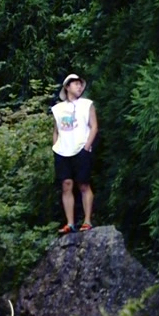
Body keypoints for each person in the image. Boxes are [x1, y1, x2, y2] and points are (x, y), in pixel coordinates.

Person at [51, 73, 97, 233]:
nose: (79, 87)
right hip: (63, 151)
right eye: (75, 84)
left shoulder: (87, 104)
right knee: (66, 185)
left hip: (81, 149)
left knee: (83, 184)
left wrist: (87, 146)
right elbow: (56, 130)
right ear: (67, 87)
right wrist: (55, 145)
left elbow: (94, 126)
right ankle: (70, 223)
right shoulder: (58, 109)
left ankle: (87, 221)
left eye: (80, 84)